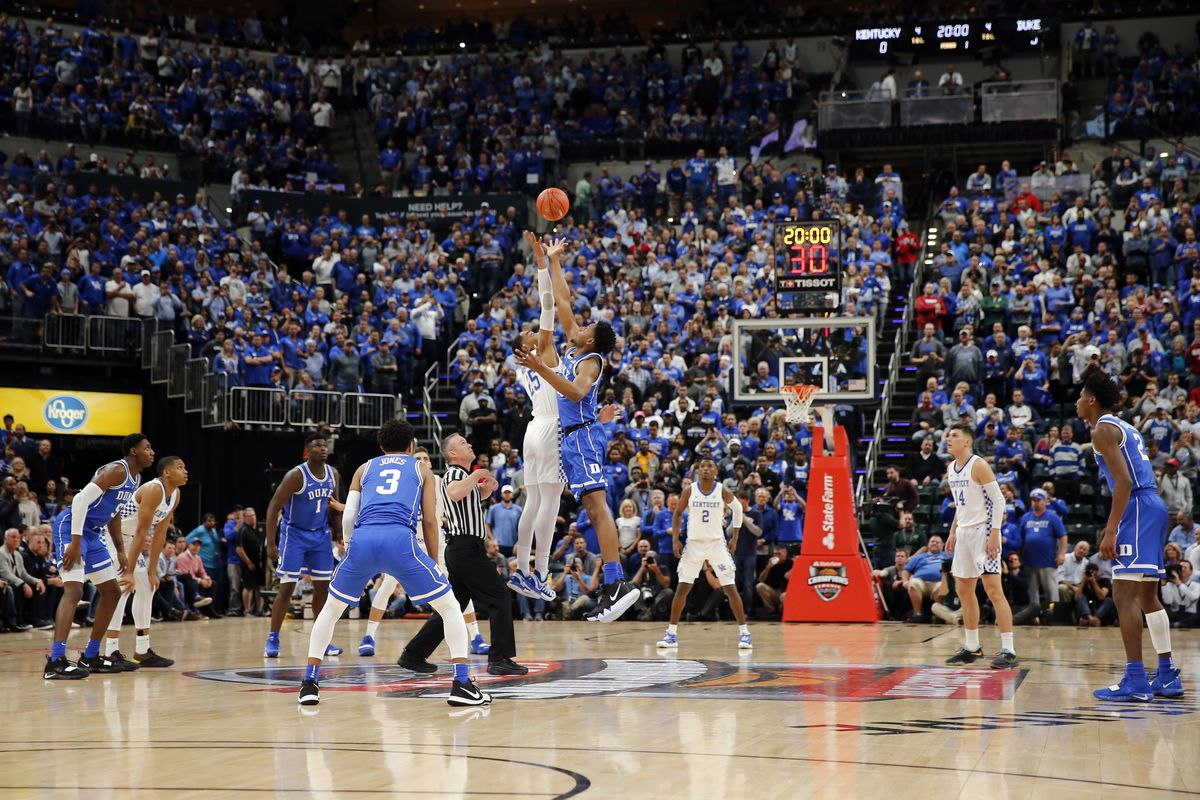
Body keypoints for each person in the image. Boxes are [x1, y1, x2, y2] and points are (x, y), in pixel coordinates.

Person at [299, 420, 490, 707]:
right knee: (450, 607)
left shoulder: (364, 468)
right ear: (411, 446)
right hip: (399, 540)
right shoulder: (422, 469)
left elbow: (349, 516)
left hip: (362, 539)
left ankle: (309, 684)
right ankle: (462, 683)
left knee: (331, 609)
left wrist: (352, 555)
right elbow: (428, 520)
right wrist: (435, 562)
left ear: (380, 446)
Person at [513, 237, 639, 622]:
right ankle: (610, 584)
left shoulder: (592, 361)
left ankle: (616, 582)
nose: (580, 325)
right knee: (588, 505)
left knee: (598, 507)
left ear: (592, 340)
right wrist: (553, 263)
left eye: (587, 327)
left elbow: (578, 390)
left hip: (582, 436)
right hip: (572, 435)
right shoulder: (573, 348)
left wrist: (541, 369)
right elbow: (562, 301)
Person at [1078, 368, 1184, 700]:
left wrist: (1111, 531)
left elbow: (1123, 482)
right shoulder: (1126, 426)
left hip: (1137, 506)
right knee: (1147, 597)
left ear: (1092, 400)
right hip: (1152, 505)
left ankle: (1136, 679)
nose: (1078, 402)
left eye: (1081, 397)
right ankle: (1166, 675)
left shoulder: (1102, 430)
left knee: (1123, 596)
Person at [398, 433, 528, 676]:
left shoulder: (463, 477)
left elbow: (469, 497)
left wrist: (486, 490)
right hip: (466, 549)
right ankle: (499, 658)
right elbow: (456, 492)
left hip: (462, 550)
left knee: (451, 608)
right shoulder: (455, 473)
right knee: (500, 596)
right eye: (462, 443)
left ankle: (413, 654)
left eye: (468, 442)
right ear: (452, 454)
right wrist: (479, 474)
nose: (469, 444)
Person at [358, 447, 491, 657]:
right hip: (408, 542)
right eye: (418, 458)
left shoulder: (440, 481)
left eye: (426, 458)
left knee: (458, 589)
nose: (422, 460)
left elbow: (458, 502)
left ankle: (476, 637)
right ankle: (369, 637)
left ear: (430, 463)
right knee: (386, 587)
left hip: (435, 543)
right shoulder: (406, 481)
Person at [45, 433, 154, 679]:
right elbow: (81, 499)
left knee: (113, 591)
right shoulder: (117, 470)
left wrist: (120, 549)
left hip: (93, 534)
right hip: (72, 527)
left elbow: (113, 513)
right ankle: (55, 661)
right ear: (134, 451)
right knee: (74, 590)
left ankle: (92, 655)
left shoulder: (135, 479)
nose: (152, 452)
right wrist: (75, 541)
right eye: (147, 448)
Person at [942, 424, 1018, 668]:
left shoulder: (979, 465)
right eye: (948, 436)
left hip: (984, 531)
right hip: (964, 532)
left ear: (967, 442)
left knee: (994, 590)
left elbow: (999, 500)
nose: (949, 439)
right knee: (963, 590)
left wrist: (995, 533)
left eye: (954, 436)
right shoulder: (951, 469)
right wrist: (953, 532)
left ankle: (1008, 650)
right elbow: (959, 506)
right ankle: (973, 647)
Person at [656, 458, 751, 649]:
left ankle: (745, 633)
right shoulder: (689, 489)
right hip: (693, 544)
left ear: (716, 471)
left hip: (716, 544)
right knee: (682, 588)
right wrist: (675, 539)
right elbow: (678, 513)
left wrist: (735, 537)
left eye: (710, 466)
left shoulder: (721, 489)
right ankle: (671, 634)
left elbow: (738, 509)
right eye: (702, 467)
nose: (706, 469)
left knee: (730, 588)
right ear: (698, 471)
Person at [103, 455, 188, 669]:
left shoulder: (175, 494)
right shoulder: (153, 489)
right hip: (113, 536)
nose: (185, 471)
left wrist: (152, 572)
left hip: (131, 539)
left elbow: (160, 534)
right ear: (166, 472)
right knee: (123, 586)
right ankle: (110, 651)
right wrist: (129, 571)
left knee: (148, 587)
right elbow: (142, 531)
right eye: (180, 467)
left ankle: (142, 650)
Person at [264, 432, 343, 659]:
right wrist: (270, 543)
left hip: (320, 535)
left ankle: (322, 641)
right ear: (307, 450)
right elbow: (273, 507)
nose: (323, 448)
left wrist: (338, 532)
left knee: (323, 589)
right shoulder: (295, 476)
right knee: (287, 587)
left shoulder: (333, 474)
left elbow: (333, 506)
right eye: (317, 445)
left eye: (325, 444)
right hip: (294, 534)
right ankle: (273, 638)